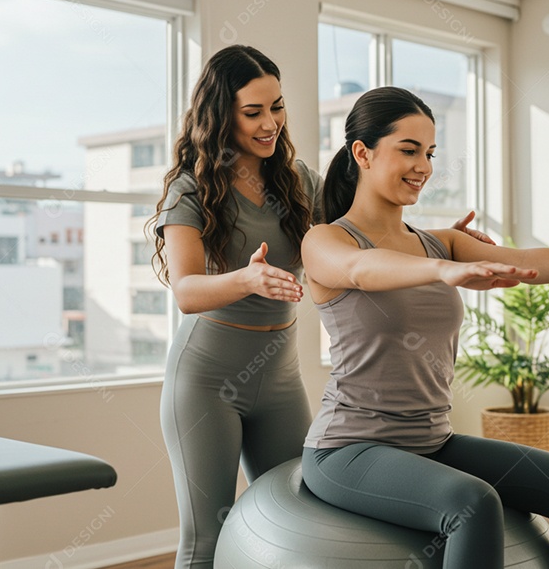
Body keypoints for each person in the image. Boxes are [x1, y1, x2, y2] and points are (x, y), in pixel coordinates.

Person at [148, 46, 494, 569]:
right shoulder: (191, 186)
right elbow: (186, 291)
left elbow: (358, 236)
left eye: (278, 107)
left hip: (279, 375)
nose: (271, 123)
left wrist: (434, 240)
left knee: (298, 521)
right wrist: (247, 277)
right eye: (253, 112)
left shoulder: (297, 180)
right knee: (207, 537)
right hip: (206, 377)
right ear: (220, 114)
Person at [300, 86, 549, 569]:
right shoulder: (326, 240)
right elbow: (360, 270)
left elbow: (519, 259)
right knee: (472, 503)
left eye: (429, 153)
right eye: (408, 150)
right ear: (362, 153)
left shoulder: (440, 242)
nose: (424, 166)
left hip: (433, 441)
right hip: (348, 449)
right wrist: (442, 272)